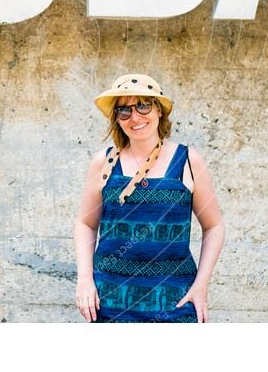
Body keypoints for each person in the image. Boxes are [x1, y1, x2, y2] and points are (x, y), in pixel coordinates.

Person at [74, 73, 224, 322]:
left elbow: (214, 226)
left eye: (143, 105)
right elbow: (85, 223)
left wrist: (201, 286)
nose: (135, 117)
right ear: (117, 119)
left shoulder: (187, 160)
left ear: (159, 111)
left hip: (174, 301)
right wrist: (85, 280)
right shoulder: (104, 163)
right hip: (111, 301)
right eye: (124, 110)